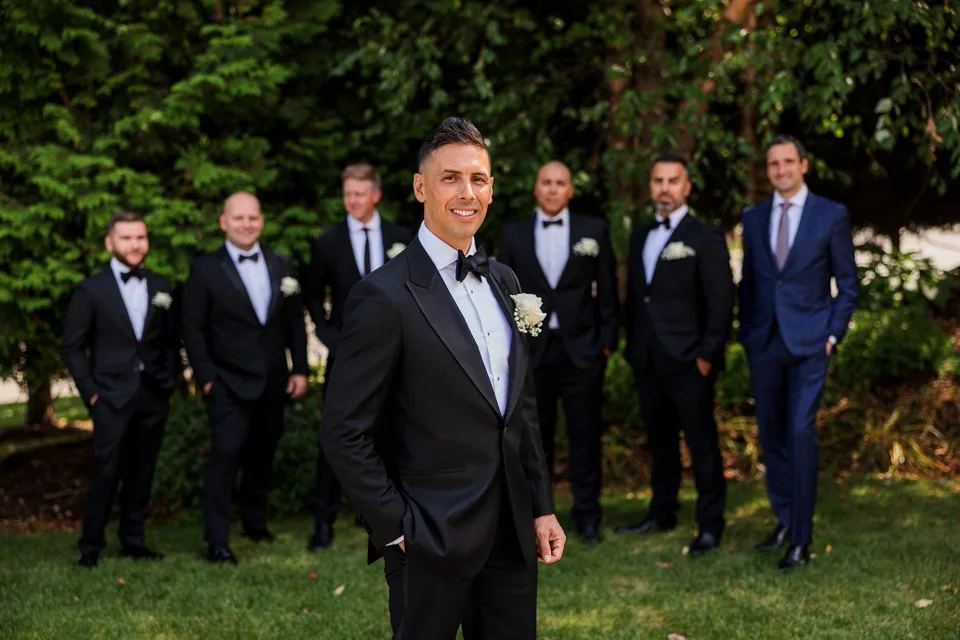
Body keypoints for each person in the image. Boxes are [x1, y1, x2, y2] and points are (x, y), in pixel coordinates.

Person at [319, 117, 565, 639]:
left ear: (492, 189)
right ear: (420, 187)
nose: (466, 192)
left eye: (478, 179)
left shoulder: (506, 282)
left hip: (512, 534)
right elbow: (344, 431)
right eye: (450, 177)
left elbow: (520, 410)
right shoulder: (382, 296)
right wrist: (396, 528)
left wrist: (541, 507)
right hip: (428, 536)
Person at [739, 135, 858, 571]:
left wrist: (832, 334)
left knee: (799, 431)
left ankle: (802, 541)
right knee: (771, 437)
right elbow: (750, 281)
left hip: (811, 343)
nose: (781, 169)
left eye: (789, 161)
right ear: (767, 169)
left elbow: (848, 283)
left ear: (804, 165)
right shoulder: (752, 218)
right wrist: (746, 331)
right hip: (765, 342)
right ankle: (786, 520)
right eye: (773, 163)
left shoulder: (831, 214)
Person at [616, 153, 734, 558]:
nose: (664, 187)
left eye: (672, 181)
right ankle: (661, 512)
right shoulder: (641, 235)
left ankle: (710, 525)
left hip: (689, 360)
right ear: (651, 187)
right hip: (648, 358)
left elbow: (721, 300)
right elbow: (637, 296)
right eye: (657, 180)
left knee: (701, 444)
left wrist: (706, 356)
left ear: (686, 187)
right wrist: (632, 347)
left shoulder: (704, 235)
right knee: (660, 443)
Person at [181, 192, 309, 565]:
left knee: (262, 457)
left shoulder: (281, 264)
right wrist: (206, 378)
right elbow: (193, 329)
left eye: (253, 217)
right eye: (238, 218)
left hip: (273, 381)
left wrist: (299, 368)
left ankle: (255, 524)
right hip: (226, 383)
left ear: (261, 221)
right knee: (225, 459)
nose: (246, 224)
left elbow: (294, 324)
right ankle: (217, 542)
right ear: (223, 222)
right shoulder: (204, 269)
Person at [496, 160, 618, 544]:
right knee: (534, 438)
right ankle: (536, 514)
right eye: (545, 182)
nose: (552, 189)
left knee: (585, 435)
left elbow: (609, 293)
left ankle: (588, 517)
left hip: (582, 351)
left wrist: (605, 344)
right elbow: (502, 295)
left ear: (570, 190)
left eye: (560, 183)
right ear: (536, 188)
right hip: (533, 353)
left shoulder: (593, 231)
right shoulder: (513, 234)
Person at [61, 211, 180, 568]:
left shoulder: (163, 288)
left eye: (140, 237)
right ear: (109, 243)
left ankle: (133, 540)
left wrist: (168, 380)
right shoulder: (91, 290)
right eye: (126, 238)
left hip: (152, 393)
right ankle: (91, 546)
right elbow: (71, 347)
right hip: (110, 396)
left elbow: (172, 342)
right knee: (106, 470)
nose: (135, 245)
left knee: (142, 469)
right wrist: (91, 393)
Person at [304, 163, 413, 552]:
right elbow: (313, 296)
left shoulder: (402, 236)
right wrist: (328, 337)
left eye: (359, 193)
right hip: (346, 354)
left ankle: (381, 513)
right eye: (347, 193)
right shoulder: (327, 242)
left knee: (391, 434)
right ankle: (323, 521)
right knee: (338, 433)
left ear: (376, 195)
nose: (352, 200)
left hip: (398, 355)